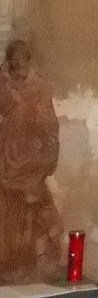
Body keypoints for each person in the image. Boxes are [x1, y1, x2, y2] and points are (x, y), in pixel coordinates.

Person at [0, 39, 63, 283]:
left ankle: (38, 263)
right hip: (8, 158)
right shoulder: (4, 86)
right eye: (12, 66)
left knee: (36, 212)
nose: (17, 71)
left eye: (21, 65)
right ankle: (11, 265)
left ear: (28, 62)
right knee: (9, 216)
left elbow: (49, 127)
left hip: (31, 162)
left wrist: (45, 154)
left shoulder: (40, 89)